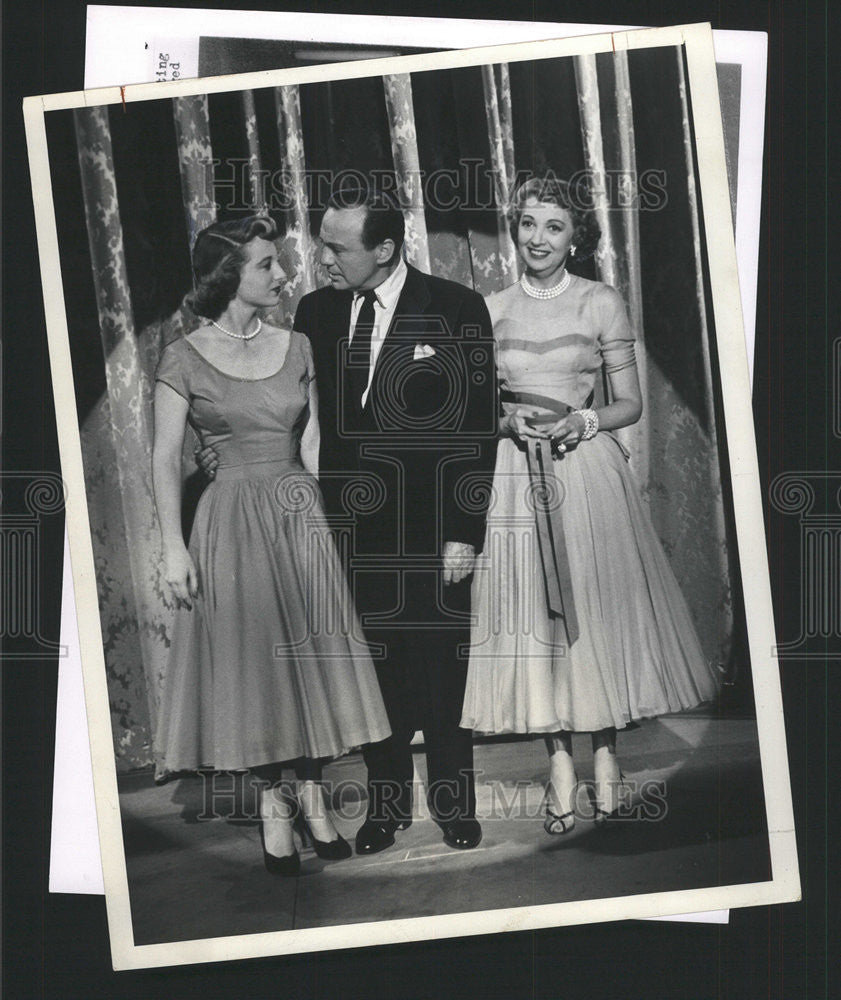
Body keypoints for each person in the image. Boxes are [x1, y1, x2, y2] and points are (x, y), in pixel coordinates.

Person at [460, 177, 721, 834]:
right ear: (513, 230)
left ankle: (604, 757)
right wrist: (505, 424)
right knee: (535, 619)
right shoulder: (488, 309)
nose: (538, 239)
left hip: (585, 471)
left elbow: (627, 403)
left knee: (593, 619)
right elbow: (472, 409)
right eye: (526, 224)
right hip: (518, 475)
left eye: (552, 226)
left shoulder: (600, 302)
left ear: (574, 236)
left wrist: (583, 422)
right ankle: (556, 766)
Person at [152, 215, 391, 877]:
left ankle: (313, 796)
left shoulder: (299, 345)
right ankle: (273, 808)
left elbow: (311, 445)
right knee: (258, 670)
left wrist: (324, 523)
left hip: (297, 515)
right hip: (229, 519)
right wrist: (172, 548)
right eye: (267, 265)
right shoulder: (183, 355)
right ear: (229, 276)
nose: (283, 275)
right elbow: (164, 455)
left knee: (309, 661)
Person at [293, 181, 498, 854]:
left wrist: (464, 533)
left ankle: (453, 807)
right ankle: (385, 810)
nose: (322, 258)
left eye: (335, 247)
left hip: (431, 530)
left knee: (440, 672)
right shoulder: (315, 312)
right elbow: (290, 408)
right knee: (375, 675)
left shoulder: (456, 307)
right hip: (348, 533)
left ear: (384, 248)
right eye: (321, 243)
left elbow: (475, 430)